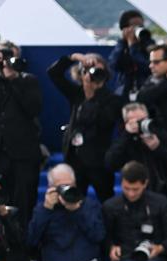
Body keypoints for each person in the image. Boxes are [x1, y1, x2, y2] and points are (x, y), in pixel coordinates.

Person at [0, 40, 42, 221]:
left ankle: (20, 234)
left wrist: (15, 79)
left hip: (21, 152)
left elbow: (33, 109)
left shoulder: (27, 80)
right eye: (1, 55)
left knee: (23, 199)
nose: (5, 60)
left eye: (10, 56)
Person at [47, 52, 121, 203]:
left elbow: (104, 122)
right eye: (88, 70)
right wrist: (73, 58)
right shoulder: (76, 93)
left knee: (106, 201)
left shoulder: (112, 99)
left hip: (99, 161)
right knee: (73, 202)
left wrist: (93, 94)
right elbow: (53, 73)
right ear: (81, 74)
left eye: (98, 71)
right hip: (74, 158)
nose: (93, 74)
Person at [105, 102, 167, 201]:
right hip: (135, 192)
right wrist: (127, 135)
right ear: (126, 123)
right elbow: (110, 163)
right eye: (135, 121)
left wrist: (158, 148)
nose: (140, 124)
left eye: (143, 120)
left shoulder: (161, 135)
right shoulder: (123, 141)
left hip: (163, 191)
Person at [108, 9, 153, 98]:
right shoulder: (121, 45)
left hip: (146, 90)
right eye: (134, 26)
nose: (138, 28)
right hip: (125, 91)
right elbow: (113, 64)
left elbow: (147, 66)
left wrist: (133, 46)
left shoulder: (149, 43)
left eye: (141, 26)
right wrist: (124, 42)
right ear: (124, 29)